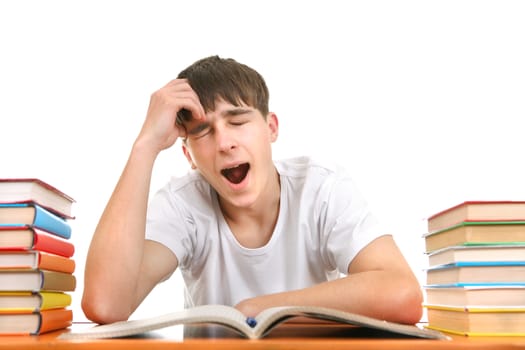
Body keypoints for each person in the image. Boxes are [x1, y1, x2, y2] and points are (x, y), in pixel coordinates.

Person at [81, 55, 423, 325]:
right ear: (188, 155)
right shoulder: (183, 204)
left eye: (238, 121)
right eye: (203, 132)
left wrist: (263, 308)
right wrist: (145, 146)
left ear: (271, 128)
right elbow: (106, 304)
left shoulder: (321, 188)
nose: (225, 143)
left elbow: (403, 293)